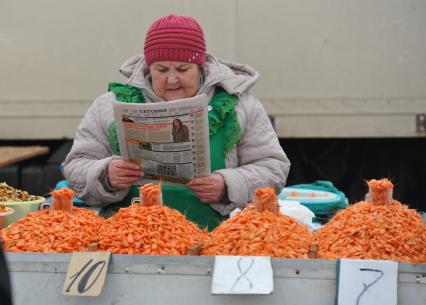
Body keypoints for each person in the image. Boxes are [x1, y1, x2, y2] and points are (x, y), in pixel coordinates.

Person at [64, 14, 290, 230]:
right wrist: (105, 175)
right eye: (161, 69)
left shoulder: (240, 105)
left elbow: (274, 167)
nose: (172, 79)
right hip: (129, 240)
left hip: (213, 240)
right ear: (148, 68)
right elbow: (75, 166)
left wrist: (229, 185)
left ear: (200, 67)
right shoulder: (109, 105)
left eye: (183, 69)